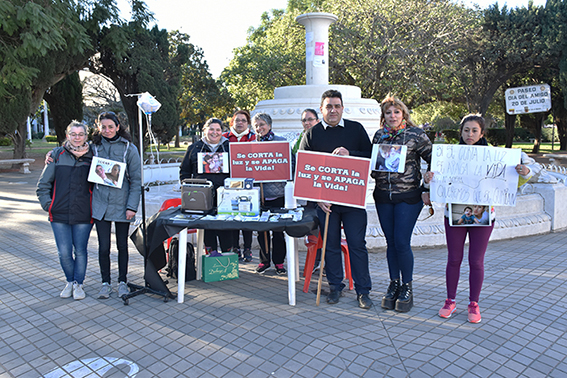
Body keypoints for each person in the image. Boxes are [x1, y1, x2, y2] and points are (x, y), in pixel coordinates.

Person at [426, 114, 538, 323]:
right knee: (454, 259)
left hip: (484, 215)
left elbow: (521, 176)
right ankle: (450, 300)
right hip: (455, 214)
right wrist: (429, 179)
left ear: (482, 133)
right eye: (466, 130)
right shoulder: (448, 155)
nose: (470, 134)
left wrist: (525, 170)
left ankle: (473, 303)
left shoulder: (496, 155)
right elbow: (434, 182)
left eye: (474, 130)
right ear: (461, 132)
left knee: (476, 261)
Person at [299, 89, 373, 309]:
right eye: (328, 106)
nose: (333, 110)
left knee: (357, 245)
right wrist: (317, 197)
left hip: (352, 201)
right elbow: (304, 168)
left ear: (342, 108)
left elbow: (370, 157)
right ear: (322, 109)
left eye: (337, 106)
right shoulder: (311, 134)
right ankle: (335, 286)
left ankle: (363, 290)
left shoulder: (356, 129)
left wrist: (351, 154)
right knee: (330, 246)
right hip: (326, 203)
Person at [372, 95, 432, 313]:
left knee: (401, 241)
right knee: (390, 242)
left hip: (408, 197)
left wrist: (427, 187)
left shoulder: (416, 135)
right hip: (383, 196)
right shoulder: (380, 135)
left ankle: (407, 285)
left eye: (396, 112)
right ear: (384, 116)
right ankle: (393, 282)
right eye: (388, 112)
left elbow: (434, 159)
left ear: (403, 114)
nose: (393, 116)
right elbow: (372, 162)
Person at [37, 121, 94, 300]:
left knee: (80, 250)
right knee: (63, 252)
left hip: (84, 213)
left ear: (86, 136)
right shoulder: (57, 155)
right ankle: (70, 281)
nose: (77, 138)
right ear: (67, 135)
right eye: (73, 134)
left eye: (81, 134)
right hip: (59, 213)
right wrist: (49, 205)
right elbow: (43, 185)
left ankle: (79, 284)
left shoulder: (94, 156)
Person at [91, 112, 141, 299]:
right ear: (98, 128)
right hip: (100, 205)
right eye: (103, 127)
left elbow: (136, 181)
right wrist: (52, 153)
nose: (107, 130)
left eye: (111, 126)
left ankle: (122, 281)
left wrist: (132, 207)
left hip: (122, 205)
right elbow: (73, 149)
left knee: (122, 245)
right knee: (103, 247)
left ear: (118, 127)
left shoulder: (129, 148)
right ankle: (105, 283)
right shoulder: (93, 147)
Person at [180, 118, 232, 253]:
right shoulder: (194, 148)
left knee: (226, 229)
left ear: (222, 131)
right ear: (205, 130)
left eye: (218, 130)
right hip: (202, 197)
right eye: (211, 129)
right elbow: (184, 171)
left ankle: (228, 257)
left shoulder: (230, 147)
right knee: (207, 229)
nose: (214, 133)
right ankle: (210, 256)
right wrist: (188, 189)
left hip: (225, 197)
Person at [252, 112, 289, 275]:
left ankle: (279, 262)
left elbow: (290, 163)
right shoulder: (251, 144)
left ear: (269, 125)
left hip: (278, 194)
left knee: (278, 231)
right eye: (256, 125)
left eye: (262, 124)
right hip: (259, 195)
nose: (259, 128)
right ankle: (264, 260)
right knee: (262, 231)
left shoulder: (280, 142)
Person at [223, 110, 256, 262]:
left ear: (248, 123)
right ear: (232, 122)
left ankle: (247, 248)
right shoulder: (224, 138)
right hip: (230, 183)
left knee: (246, 216)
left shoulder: (253, 138)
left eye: (243, 120)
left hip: (248, 183)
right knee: (233, 216)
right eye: (237, 120)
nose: (240, 123)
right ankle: (234, 247)